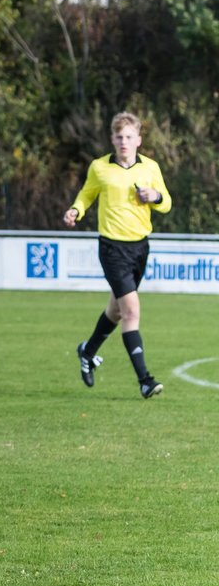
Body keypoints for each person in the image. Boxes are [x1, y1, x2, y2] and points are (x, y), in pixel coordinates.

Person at [64, 112, 172, 399]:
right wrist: (77, 210)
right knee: (132, 311)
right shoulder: (100, 167)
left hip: (140, 248)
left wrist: (155, 197)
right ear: (112, 139)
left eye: (128, 137)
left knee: (115, 310)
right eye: (118, 137)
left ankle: (87, 352)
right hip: (111, 248)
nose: (123, 141)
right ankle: (145, 380)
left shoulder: (150, 168)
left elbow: (167, 202)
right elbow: (87, 195)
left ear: (138, 139)